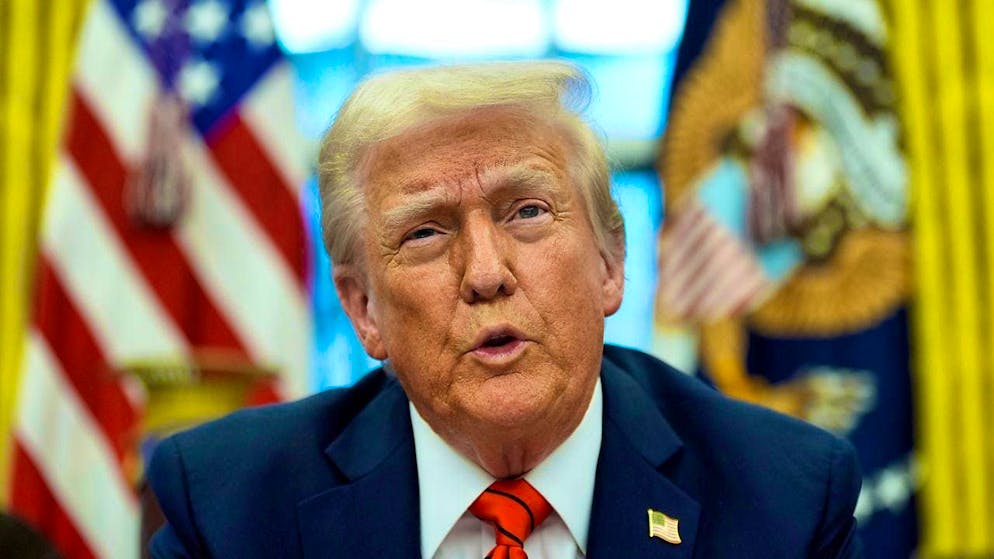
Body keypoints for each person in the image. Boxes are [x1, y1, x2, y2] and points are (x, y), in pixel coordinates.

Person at [147, 61, 862, 558]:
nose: (486, 274)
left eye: (526, 211)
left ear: (611, 264)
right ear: (364, 308)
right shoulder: (230, 508)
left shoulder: (782, 498)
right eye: (426, 231)